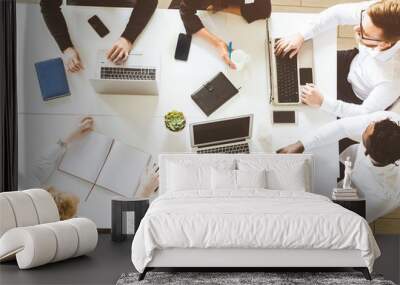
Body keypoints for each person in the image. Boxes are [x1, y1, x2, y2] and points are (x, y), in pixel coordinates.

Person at [275, 0, 400, 118]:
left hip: (353, 98)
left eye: (364, 34)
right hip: (351, 61)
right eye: (361, 20)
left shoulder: (392, 80)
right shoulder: (379, 12)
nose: (355, 28)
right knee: (295, 65)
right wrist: (301, 35)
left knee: (305, 113)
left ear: (384, 44)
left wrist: (323, 102)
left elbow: (364, 113)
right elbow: (337, 14)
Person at [277, 111, 400, 222]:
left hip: (357, 198)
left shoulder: (384, 196)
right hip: (350, 166)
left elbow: (349, 220)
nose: (366, 126)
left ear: (368, 152)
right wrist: (301, 144)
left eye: (364, 134)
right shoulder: (387, 123)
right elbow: (343, 127)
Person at [40, 0, 158, 73]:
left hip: (123, 10)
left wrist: (128, 38)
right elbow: (48, 6)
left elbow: (150, 2)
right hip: (80, 13)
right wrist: (66, 47)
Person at [180, 0, 271, 68]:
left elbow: (263, 11)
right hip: (200, 8)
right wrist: (218, 43)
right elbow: (186, 12)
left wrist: (224, 8)